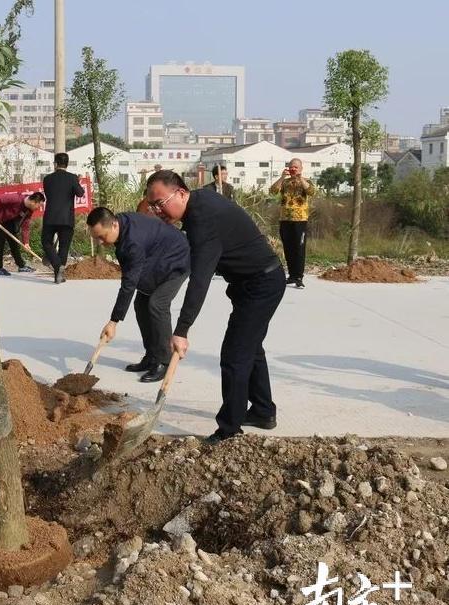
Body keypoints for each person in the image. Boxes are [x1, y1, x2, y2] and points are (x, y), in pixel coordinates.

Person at [146, 170, 285, 444]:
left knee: (235, 354)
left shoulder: (202, 219)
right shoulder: (199, 205)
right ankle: (263, 411)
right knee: (250, 348)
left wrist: (182, 329)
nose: (157, 210)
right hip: (252, 284)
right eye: (153, 205)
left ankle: (229, 429)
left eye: (160, 202)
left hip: (262, 284)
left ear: (182, 193)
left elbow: (200, 279)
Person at [88, 207, 190, 382]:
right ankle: (151, 356)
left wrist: (114, 321)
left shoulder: (132, 242)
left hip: (177, 261)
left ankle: (164, 361)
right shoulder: (121, 225)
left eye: (102, 237)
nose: (100, 242)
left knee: (157, 304)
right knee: (141, 304)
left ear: (113, 225)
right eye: (96, 237)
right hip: (159, 258)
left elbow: (129, 283)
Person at [270, 158, 316, 289]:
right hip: (285, 219)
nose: (293, 169)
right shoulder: (284, 182)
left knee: (299, 248)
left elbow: (311, 192)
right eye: (291, 167)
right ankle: (291, 275)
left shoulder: (306, 181)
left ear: (301, 168)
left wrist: (300, 179)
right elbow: (273, 191)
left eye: (296, 167)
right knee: (288, 248)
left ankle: (299, 276)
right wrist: (281, 177)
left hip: (300, 220)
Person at [41, 153, 85, 284]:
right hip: (67, 218)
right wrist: (78, 182)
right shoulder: (72, 178)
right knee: (64, 246)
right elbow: (80, 193)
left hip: (50, 217)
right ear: (67, 163)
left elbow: (50, 194)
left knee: (46, 242)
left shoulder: (47, 179)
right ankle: (59, 270)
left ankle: (57, 269)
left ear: (55, 164)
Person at [0, 191, 44, 276]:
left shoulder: (29, 210)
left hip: (10, 222)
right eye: (39, 205)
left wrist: (26, 242)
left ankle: (21, 266)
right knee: (0, 243)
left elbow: (26, 226)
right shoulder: (16, 198)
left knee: (14, 243)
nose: (38, 208)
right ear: (33, 202)